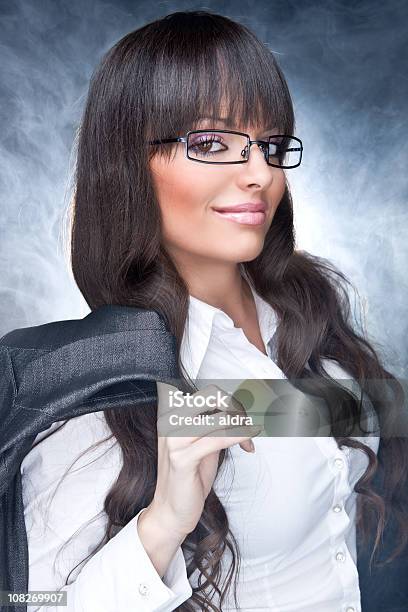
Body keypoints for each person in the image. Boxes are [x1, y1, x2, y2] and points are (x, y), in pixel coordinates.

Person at [11, 9, 408, 612]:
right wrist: (164, 523)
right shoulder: (101, 389)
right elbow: (34, 602)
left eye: (270, 144)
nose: (259, 174)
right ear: (128, 164)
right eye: (211, 143)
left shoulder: (305, 306)